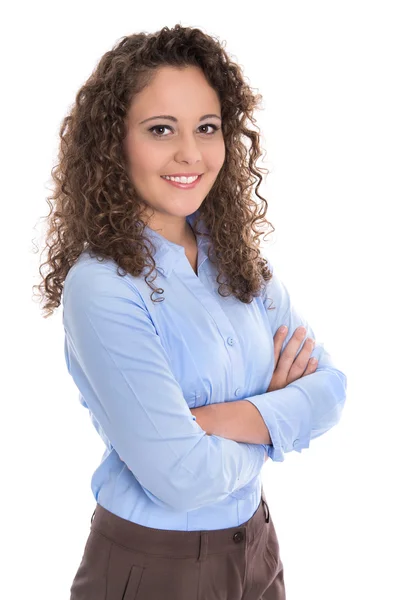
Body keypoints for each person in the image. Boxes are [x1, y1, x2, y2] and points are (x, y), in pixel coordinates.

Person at [34, 24, 347, 600]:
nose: (191, 154)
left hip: (256, 544)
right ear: (114, 143)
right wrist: (275, 418)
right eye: (161, 130)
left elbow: (331, 389)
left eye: (207, 128)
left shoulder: (237, 261)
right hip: (156, 566)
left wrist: (211, 421)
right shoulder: (101, 287)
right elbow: (180, 476)